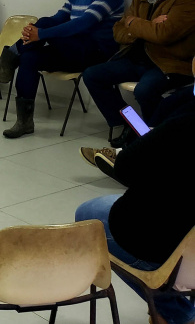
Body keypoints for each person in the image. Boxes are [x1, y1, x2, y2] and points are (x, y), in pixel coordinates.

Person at [75, 76, 195, 324]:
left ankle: (175, 312)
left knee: (87, 214)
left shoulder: (183, 125)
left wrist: (153, 144)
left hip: (173, 252)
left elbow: (126, 168)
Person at [0, 0, 125, 138]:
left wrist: (41, 33)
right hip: (73, 49)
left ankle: (8, 59)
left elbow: (83, 23)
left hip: (95, 51)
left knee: (45, 25)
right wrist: (34, 30)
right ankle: (24, 122)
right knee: (30, 57)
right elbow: (59, 18)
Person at [83, 0, 195, 146]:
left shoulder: (186, 0)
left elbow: (164, 35)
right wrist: (149, 27)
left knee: (145, 90)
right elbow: (118, 31)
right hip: (137, 59)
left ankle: (152, 137)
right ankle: (131, 126)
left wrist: (134, 24)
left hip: (168, 63)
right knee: (93, 75)